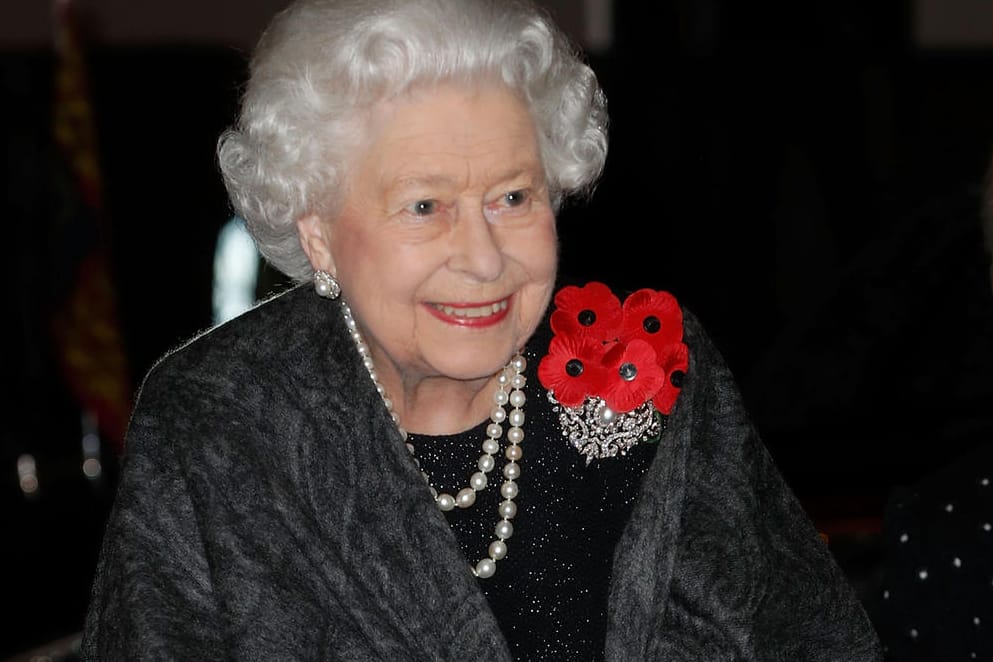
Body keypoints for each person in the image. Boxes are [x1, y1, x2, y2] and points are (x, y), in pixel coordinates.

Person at [80, 0, 882, 659]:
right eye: (425, 207)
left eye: (512, 198)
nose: (483, 257)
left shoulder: (644, 364)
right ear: (319, 230)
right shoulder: (219, 418)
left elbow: (815, 643)